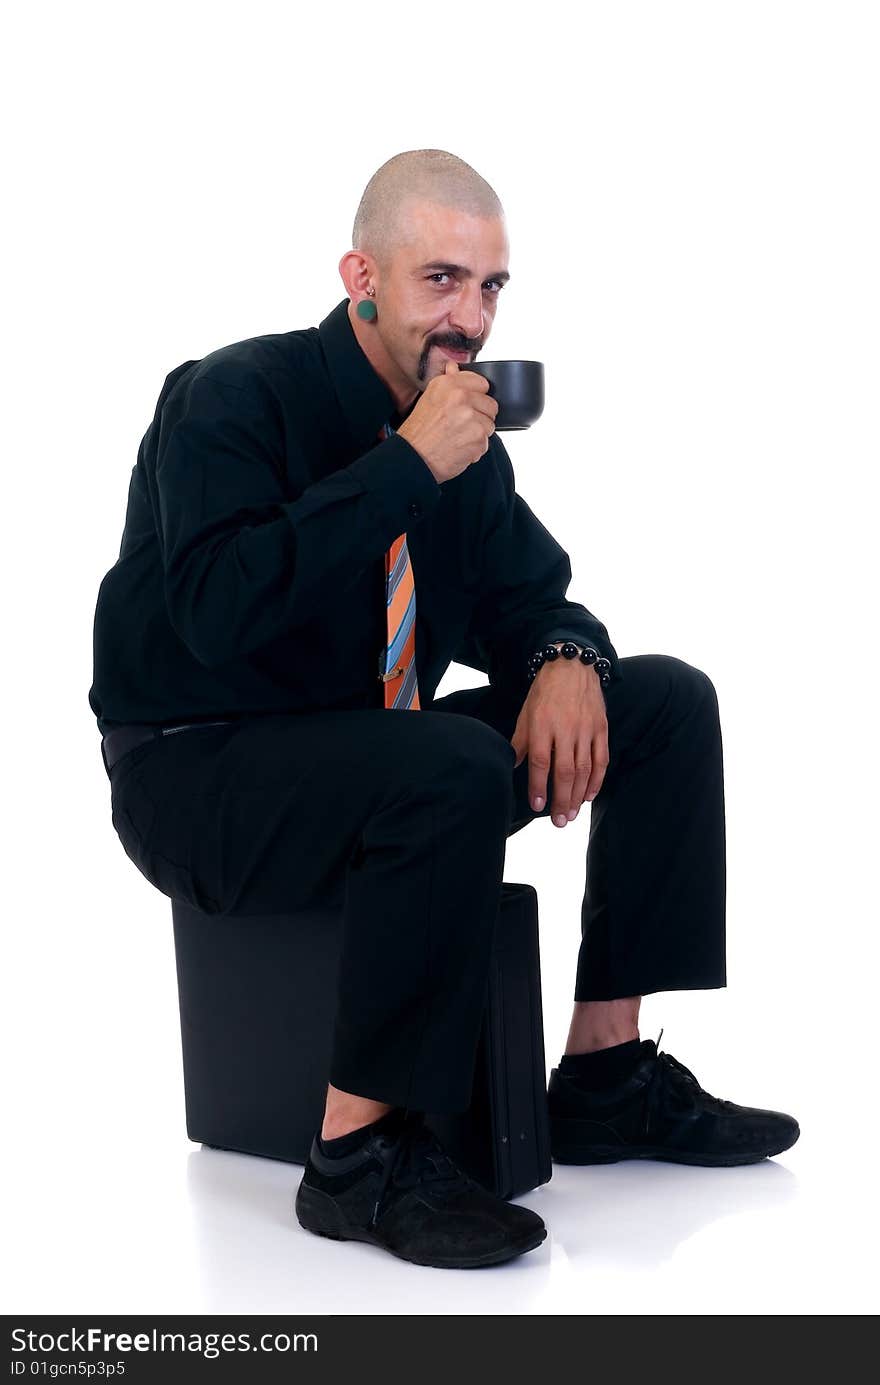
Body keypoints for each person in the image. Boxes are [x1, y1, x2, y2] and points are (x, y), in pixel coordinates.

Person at [89, 148, 798, 1271]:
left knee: (657, 698)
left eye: (491, 286)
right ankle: (357, 1160)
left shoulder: (456, 436)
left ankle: (606, 1079)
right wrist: (403, 469)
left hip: (376, 764)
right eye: (441, 281)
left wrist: (567, 653)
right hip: (201, 771)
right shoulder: (231, 395)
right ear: (359, 274)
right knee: (442, 763)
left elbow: (530, 597)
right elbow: (214, 612)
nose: (470, 317)